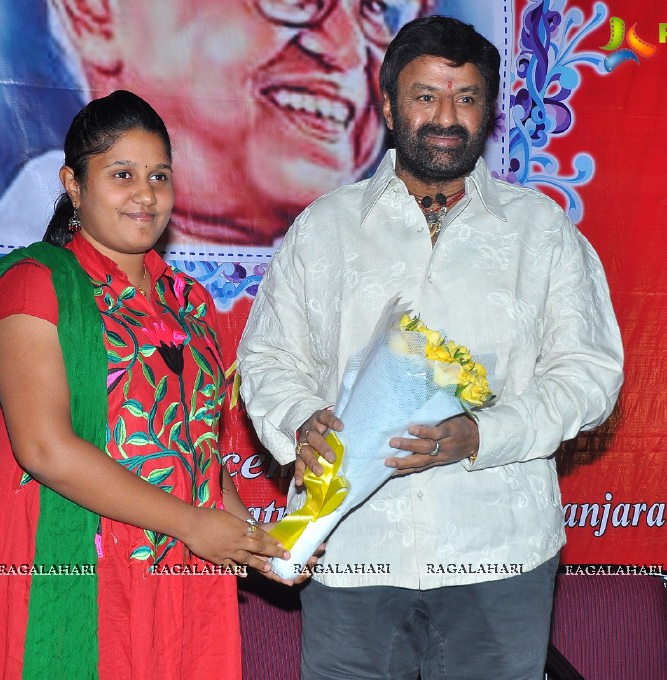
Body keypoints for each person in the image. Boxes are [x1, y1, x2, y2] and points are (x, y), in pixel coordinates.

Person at [237, 15, 624, 680]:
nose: (445, 117)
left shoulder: (541, 231)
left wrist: (479, 434)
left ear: (488, 113)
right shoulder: (325, 228)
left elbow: (590, 373)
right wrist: (299, 422)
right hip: (353, 548)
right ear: (388, 106)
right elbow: (269, 360)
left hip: (497, 553)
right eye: (424, 96)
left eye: (465, 98)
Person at [0, 90, 298, 680]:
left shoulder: (186, 304)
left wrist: (258, 545)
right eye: (122, 175)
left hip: (178, 575)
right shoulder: (33, 285)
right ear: (74, 184)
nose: (146, 195)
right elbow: (44, 448)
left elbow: (197, 454)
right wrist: (192, 525)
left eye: (159, 176)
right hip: (68, 567)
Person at [0, 0, 427, 252]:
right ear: (95, 12)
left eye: (374, 8)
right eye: (293, 2)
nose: (346, 53)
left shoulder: (186, 304)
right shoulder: (33, 289)